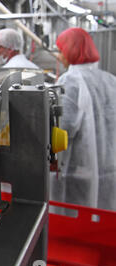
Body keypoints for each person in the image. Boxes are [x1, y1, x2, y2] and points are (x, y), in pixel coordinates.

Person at [51, 27, 116, 211]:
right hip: (109, 167)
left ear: (70, 50)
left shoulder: (70, 81)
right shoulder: (110, 80)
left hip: (79, 170)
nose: (59, 56)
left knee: (78, 220)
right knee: (105, 219)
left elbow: (64, 127)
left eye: (61, 50)